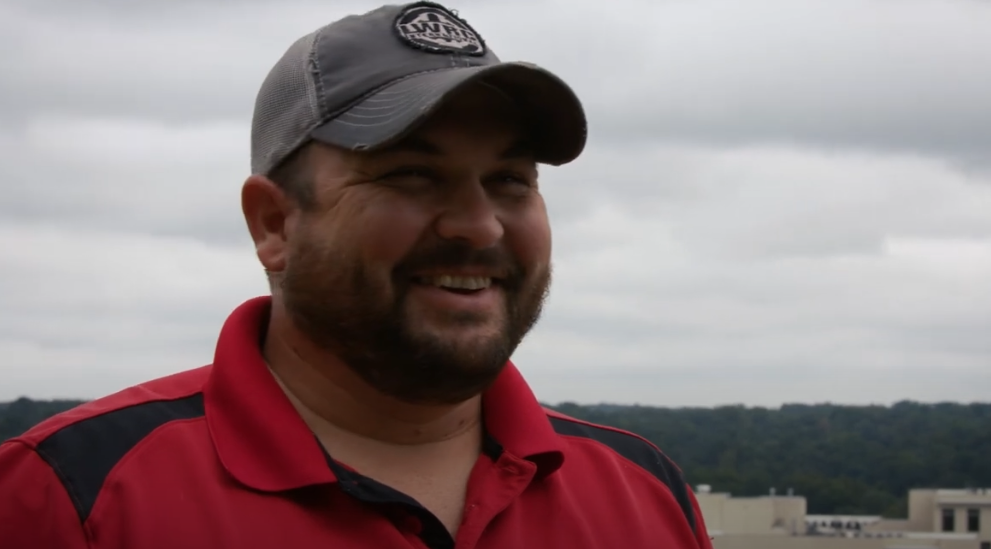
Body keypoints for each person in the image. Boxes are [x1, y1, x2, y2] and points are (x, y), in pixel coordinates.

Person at [0, 2, 713, 548]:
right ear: (274, 224)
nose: (479, 224)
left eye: (509, 178)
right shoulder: (70, 497)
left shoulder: (642, 494)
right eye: (410, 174)